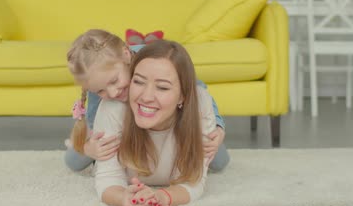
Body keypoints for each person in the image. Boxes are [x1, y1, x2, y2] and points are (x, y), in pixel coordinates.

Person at [64, 29, 230, 172]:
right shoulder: (100, 87)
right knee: (73, 160)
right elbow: (97, 126)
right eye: (100, 90)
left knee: (219, 160)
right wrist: (90, 149)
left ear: (126, 55)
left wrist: (218, 126)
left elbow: (198, 91)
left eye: (114, 81)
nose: (113, 93)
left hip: (168, 118)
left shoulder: (156, 59)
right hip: (128, 124)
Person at [94, 40, 214, 206]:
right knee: (78, 155)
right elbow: (107, 178)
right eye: (139, 82)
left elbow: (194, 182)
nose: (146, 97)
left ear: (183, 95)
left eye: (163, 87)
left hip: (197, 127)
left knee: (219, 157)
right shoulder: (113, 107)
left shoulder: (201, 104)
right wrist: (124, 198)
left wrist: (162, 197)